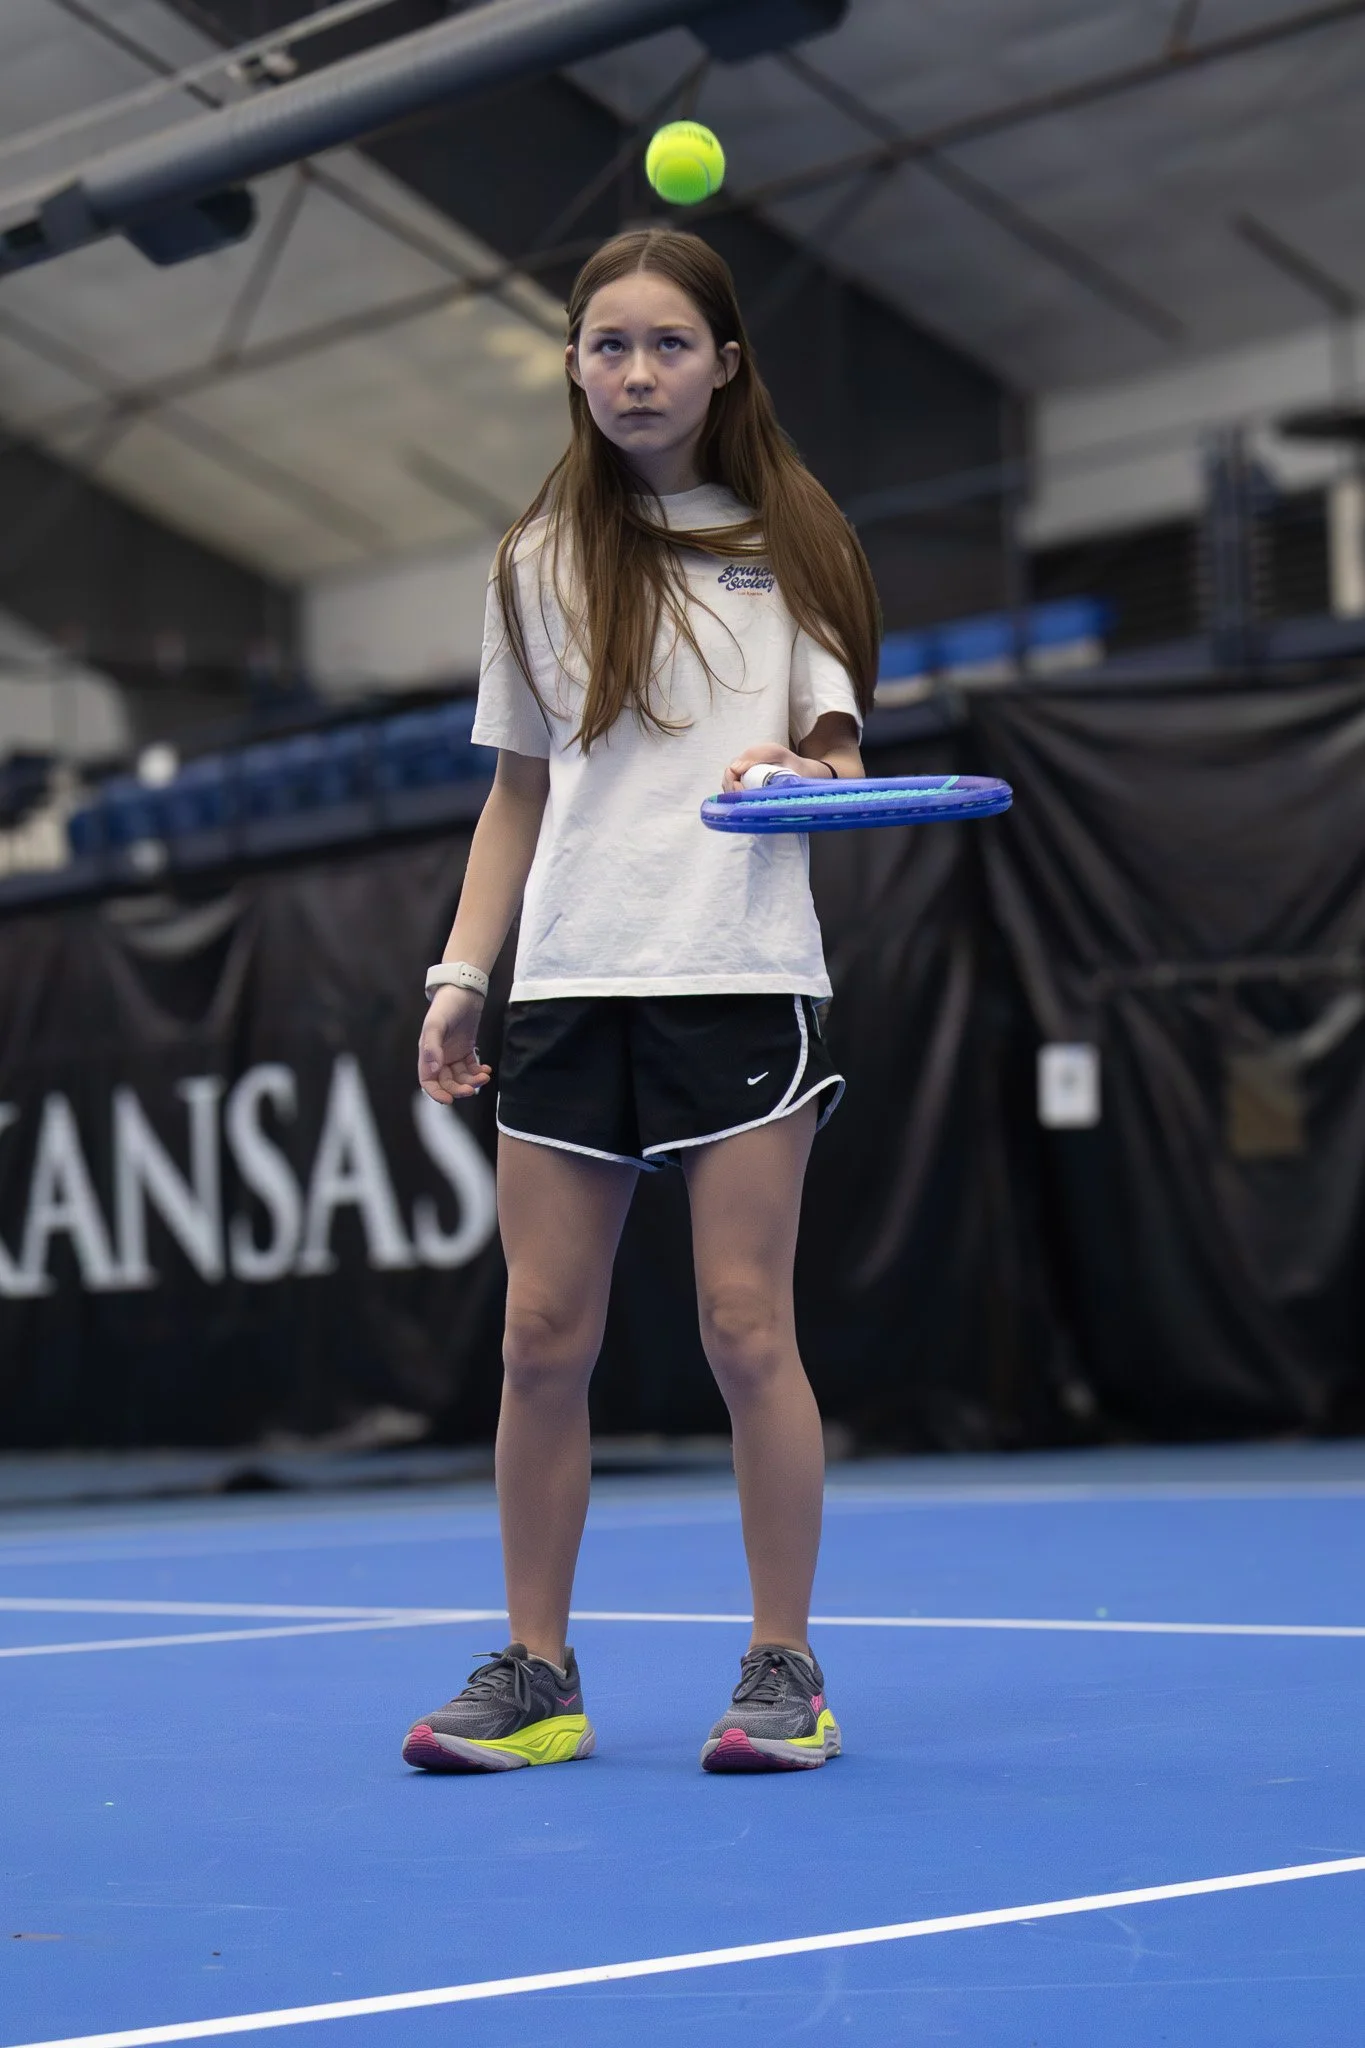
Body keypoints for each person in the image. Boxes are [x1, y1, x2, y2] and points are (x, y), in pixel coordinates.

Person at [402, 226, 879, 1776]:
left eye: (669, 344)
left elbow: (843, 766)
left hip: (739, 977)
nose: (636, 371)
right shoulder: (535, 561)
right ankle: (538, 1674)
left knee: (747, 1328)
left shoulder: (792, 538)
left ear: (725, 364)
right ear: (572, 367)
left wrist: (800, 776)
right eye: (608, 345)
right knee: (541, 1338)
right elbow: (521, 797)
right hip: (573, 987)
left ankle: (782, 1669)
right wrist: (465, 974)